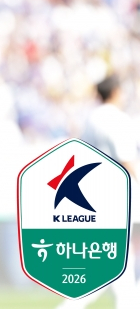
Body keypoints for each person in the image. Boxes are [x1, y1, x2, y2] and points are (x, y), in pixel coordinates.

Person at [60, 76, 138, 308]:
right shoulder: (118, 119)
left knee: (116, 261)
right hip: (119, 194)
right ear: (115, 92)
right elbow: (127, 158)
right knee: (114, 262)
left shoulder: (92, 119)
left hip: (97, 192)